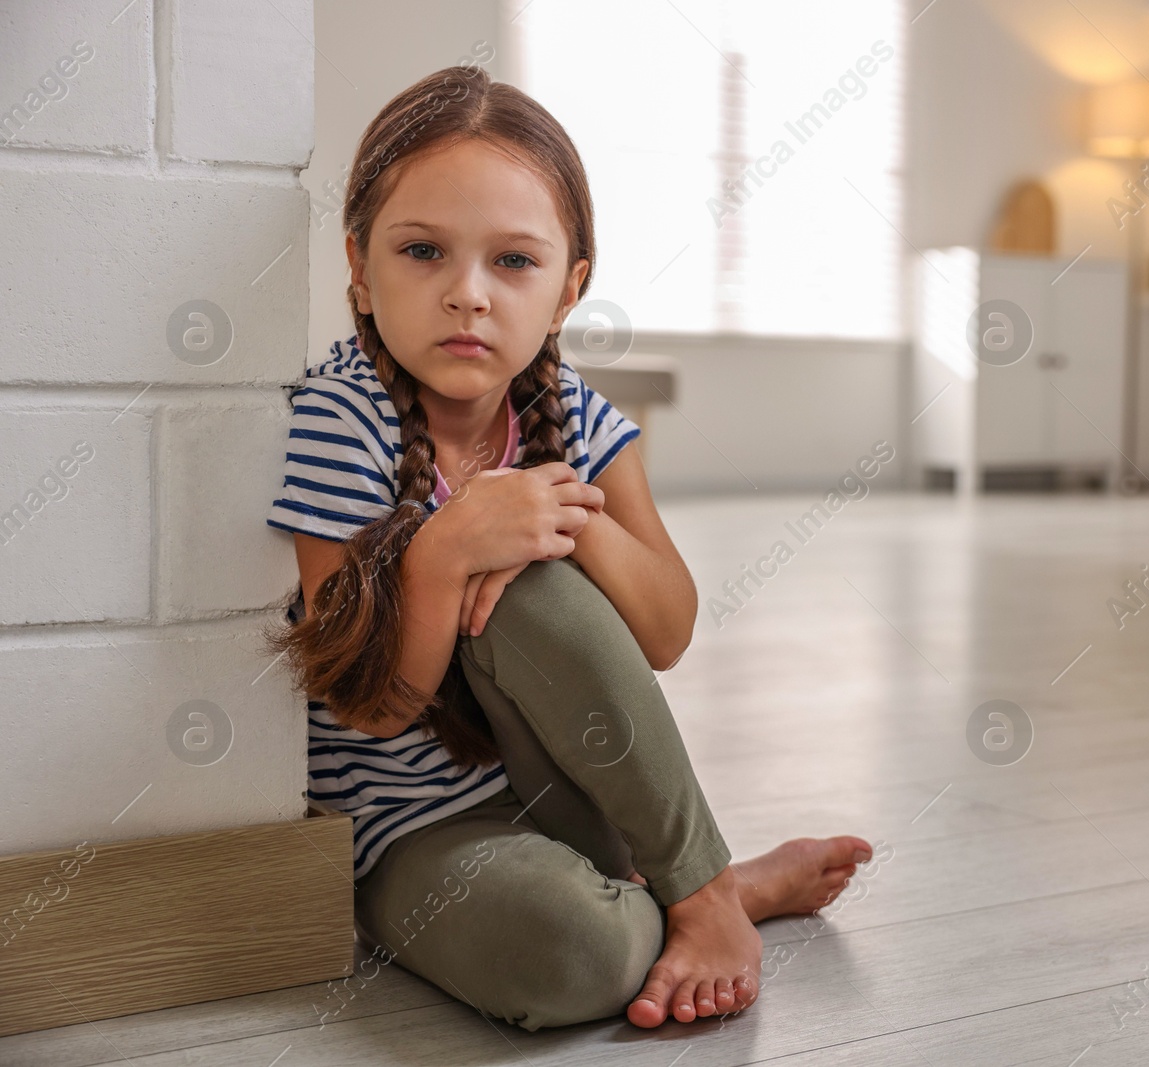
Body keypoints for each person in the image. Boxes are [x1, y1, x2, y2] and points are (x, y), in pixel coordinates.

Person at [263, 65, 871, 1032]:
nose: (468, 295)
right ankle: (711, 890)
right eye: (423, 251)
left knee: (538, 583)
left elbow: (667, 629)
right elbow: (370, 710)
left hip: (569, 795)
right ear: (358, 267)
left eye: (513, 262)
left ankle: (699, 889)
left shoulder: (574, 414)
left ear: (566, 290)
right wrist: (443, 552)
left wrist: (563, 519)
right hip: (403, 837)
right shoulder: (340, 421)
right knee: (574, 959)